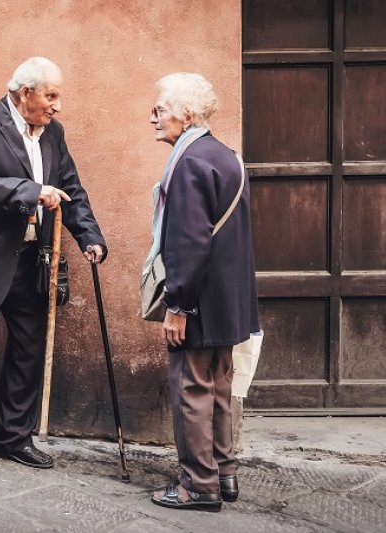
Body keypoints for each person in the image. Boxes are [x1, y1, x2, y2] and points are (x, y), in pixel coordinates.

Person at [0, 57, 107, 476]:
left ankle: (14, 436)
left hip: (32, 261)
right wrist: (32, 191)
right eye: (51, 95)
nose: (57, 105)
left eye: (57, 96)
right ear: (24, 92)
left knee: (28, 353)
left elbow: (71, 189)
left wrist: (90, 237)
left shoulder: (54, 134)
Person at [144, 73, 259, 511]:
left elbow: (189, 242)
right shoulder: (227, 156)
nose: (153, 117)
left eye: (160, 109)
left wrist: (178, 305)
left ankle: (198, 485)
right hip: (227, 301)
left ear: (186, 114)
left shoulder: (189, 161)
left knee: (192, 389)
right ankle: (224, 474)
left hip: (199, 302)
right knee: (219, 387)